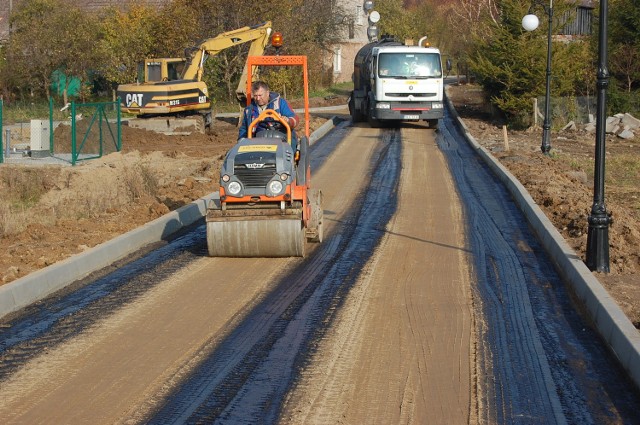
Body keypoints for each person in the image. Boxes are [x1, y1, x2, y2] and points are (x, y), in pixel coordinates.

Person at [237, 81, 300, 147]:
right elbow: (244, 128)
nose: (258, 99)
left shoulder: (279, 103)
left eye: (260, 95)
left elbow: (294, 118)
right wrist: (241, 140)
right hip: (258, 141)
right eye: (255, 96)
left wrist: (288, 120)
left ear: (267, 93)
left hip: (281, 138)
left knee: (291, 145)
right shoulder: (249, 110)